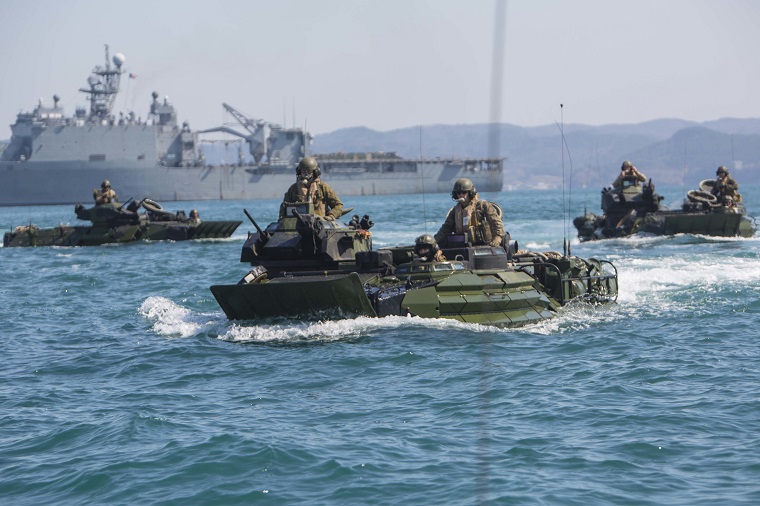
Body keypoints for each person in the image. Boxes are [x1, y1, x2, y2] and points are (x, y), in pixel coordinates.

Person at [434, 178, 504, 247]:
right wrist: (434, 241)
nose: (461, 195)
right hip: (462, 245)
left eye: (464, 192)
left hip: (482, 244)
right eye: (458, 193)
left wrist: (498, 237)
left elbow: (496, 222)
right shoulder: (455, 211)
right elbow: (445, 228)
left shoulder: (482, 206)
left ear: (470, 192)